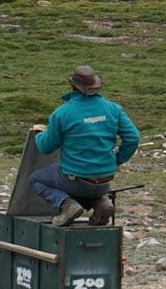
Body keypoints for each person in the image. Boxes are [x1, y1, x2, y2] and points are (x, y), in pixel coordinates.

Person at [28, 65, 140, 226]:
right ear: (95, 86)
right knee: (86, 184)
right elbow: (133, 137)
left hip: (75, 180)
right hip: (104, 181)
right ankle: (101, 202)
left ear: (73, 85)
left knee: (37, 180)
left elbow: (46, 147)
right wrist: (117, 160)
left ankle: (67, 205)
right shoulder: (113, 109)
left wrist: (39, 135)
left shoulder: (62, 113)